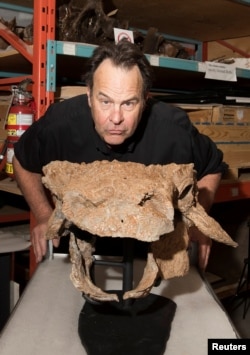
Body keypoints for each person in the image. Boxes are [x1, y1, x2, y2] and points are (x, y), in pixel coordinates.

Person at [13, 39, 227, 272]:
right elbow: (23, 161)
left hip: (151, 253)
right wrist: (44, 215)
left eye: (128, 104)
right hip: (82, 251)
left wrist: (198, 221)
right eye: (105, 101)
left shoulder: (173, 129)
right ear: (89, 96)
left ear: (145, 100)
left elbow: (212, 166)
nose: (116, 118)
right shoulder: (60, 123)